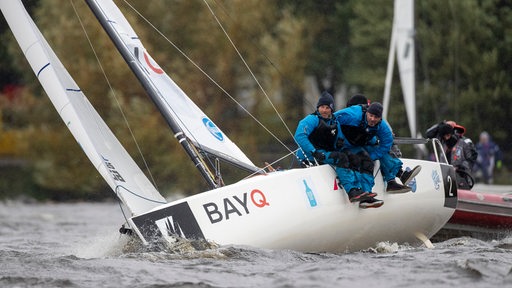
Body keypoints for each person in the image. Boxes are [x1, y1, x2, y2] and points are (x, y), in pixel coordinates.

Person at [294, 91, 382, 208]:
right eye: (322, 107)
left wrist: (374, 141)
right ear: (318, 108)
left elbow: (341, 138)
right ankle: (352, 192)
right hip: (311, 156)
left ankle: (361, 191)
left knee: (354, 158)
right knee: (341, 158)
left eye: (327, 108)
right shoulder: (311, 119)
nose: (324, 110)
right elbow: (299, 136)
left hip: (326, 153)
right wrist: (314, 152)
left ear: (331, 109)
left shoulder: (334, 121)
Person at [344, 95, 421, 193]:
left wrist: (393, 153)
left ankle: (394, 179)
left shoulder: (378, 121)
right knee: (377, 150)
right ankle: (395, 178)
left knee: (380, 150)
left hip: (370, 148)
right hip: (350, 149)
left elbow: (388, 140)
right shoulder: (351, 118)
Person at [425, 120, 477, 189]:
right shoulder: (442, 142)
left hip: (462, 177)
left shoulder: (465, 142)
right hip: (445, 179)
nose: (446, 138)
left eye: (448, 135)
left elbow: (472, 158)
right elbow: (428, 134)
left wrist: (460, 167)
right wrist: (439, 125)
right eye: (444, 135)